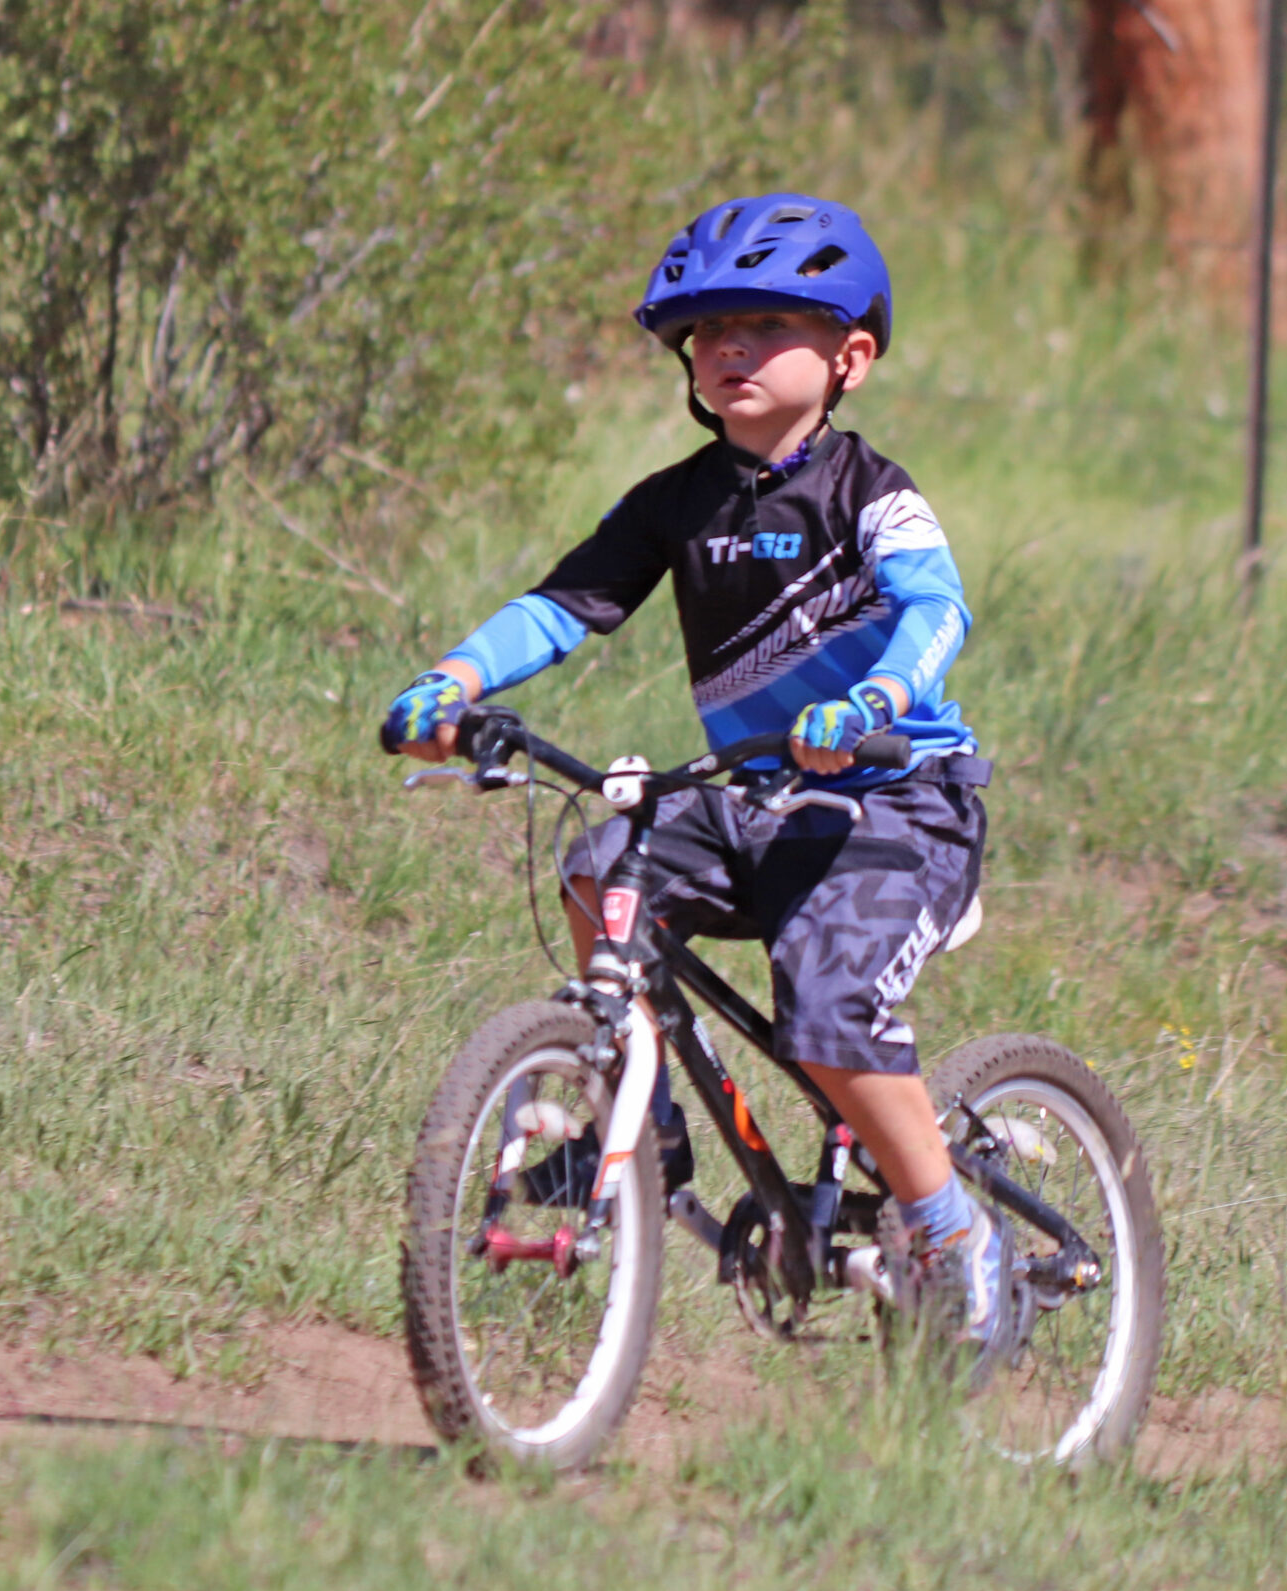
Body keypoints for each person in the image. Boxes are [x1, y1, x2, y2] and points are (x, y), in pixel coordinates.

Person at [379, 193, 1013, 1373]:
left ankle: (947, 1225)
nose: (729, 347)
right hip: (757, 797)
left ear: (849, 358)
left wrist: (870, 704)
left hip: (897, 800)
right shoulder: (677, 502)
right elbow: (562, 606)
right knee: (598, 864)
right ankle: (650, 1130)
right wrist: (457, 676)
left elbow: (938, 607)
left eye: (768, 324)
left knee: (826, 1003)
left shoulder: (870, 492)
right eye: (710, 328)